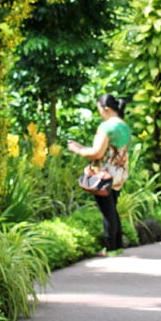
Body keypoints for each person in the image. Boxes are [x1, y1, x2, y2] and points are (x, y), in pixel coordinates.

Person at [67, 93, 131, 255]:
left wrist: (77, 149)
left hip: (105, 176)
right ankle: (117, 247)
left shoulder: (106, 126)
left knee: (107, 211)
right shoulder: (124, 126)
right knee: (112, 209)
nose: (100, 114)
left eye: (100, 111)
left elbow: (96, 153)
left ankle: (110, 249)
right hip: (120, 173)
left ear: (107, 109)